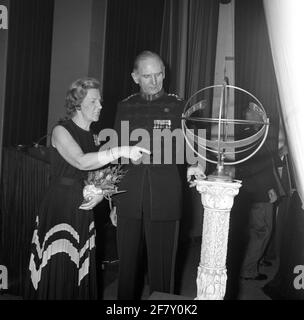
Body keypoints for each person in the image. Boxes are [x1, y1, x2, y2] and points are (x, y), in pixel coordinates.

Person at [25, 77, 149, 300]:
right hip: (60, 206)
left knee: (78, 268)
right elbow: (81, 162)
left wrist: (103, 196)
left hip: (83, 207)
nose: (100, 106)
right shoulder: (61, 131)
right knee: (59, 263)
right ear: (78, 103)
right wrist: (120, 150)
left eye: (100, 101)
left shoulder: (95, 137)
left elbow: (101, 175)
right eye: (93, 101)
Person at [110, 51, 204, 299]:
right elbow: (118, 155)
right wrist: (113, 200)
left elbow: (193, 143)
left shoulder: (179, 105)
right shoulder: (125, 106)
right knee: (127, 267)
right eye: (147, 76)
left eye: (159, 74)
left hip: (165, 191)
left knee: (163, 269)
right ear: (135, 77)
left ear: (164, 73)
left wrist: (196, 163)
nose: (154, 81)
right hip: (129, 192)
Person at [237, 103, 281, 281]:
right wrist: (269, 188)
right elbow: (253, 166)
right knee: (261, 231)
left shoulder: (252, 133)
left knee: (258, 230)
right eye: (252, 111)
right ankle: (248, 270)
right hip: (259, 190)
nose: (252, 113)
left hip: (254, 189)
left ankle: (256, 260)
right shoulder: (251, 135)